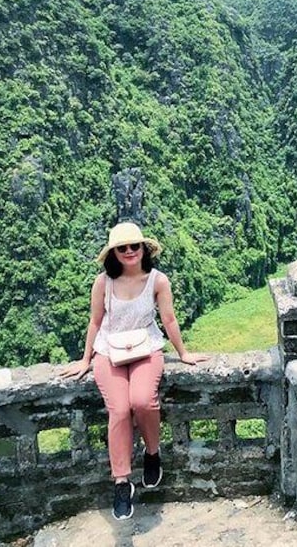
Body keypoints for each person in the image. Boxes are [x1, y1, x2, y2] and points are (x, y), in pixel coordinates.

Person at [59, 222, 208, 520]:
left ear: (144, 249)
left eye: (134, 246)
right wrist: (85, 358)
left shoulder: (157, 280)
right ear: (114, 253)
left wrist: (184, 353)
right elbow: (95, 321)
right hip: (108, 351)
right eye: (122, 248)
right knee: (119, 409)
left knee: (142, 401)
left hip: (147, 347)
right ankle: (121, 482)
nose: (129, 251)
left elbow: (169, 319)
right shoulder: (103, 282)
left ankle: (152, 454)